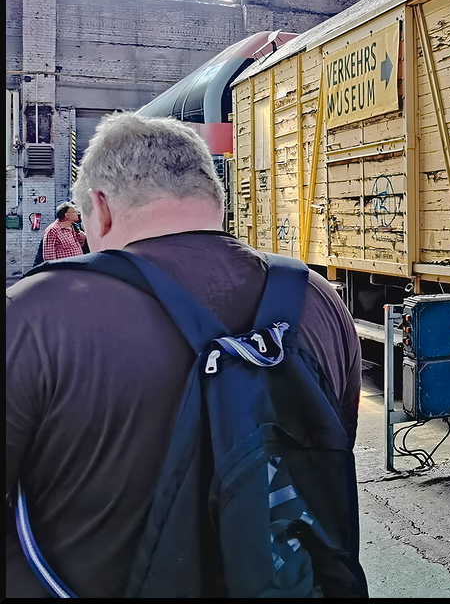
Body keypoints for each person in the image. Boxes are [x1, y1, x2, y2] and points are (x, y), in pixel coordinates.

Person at [6, 112, 363, 598]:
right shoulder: (316, 297)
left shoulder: (32, 313)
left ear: (100, 207)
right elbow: (331, 446)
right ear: (216, 199)